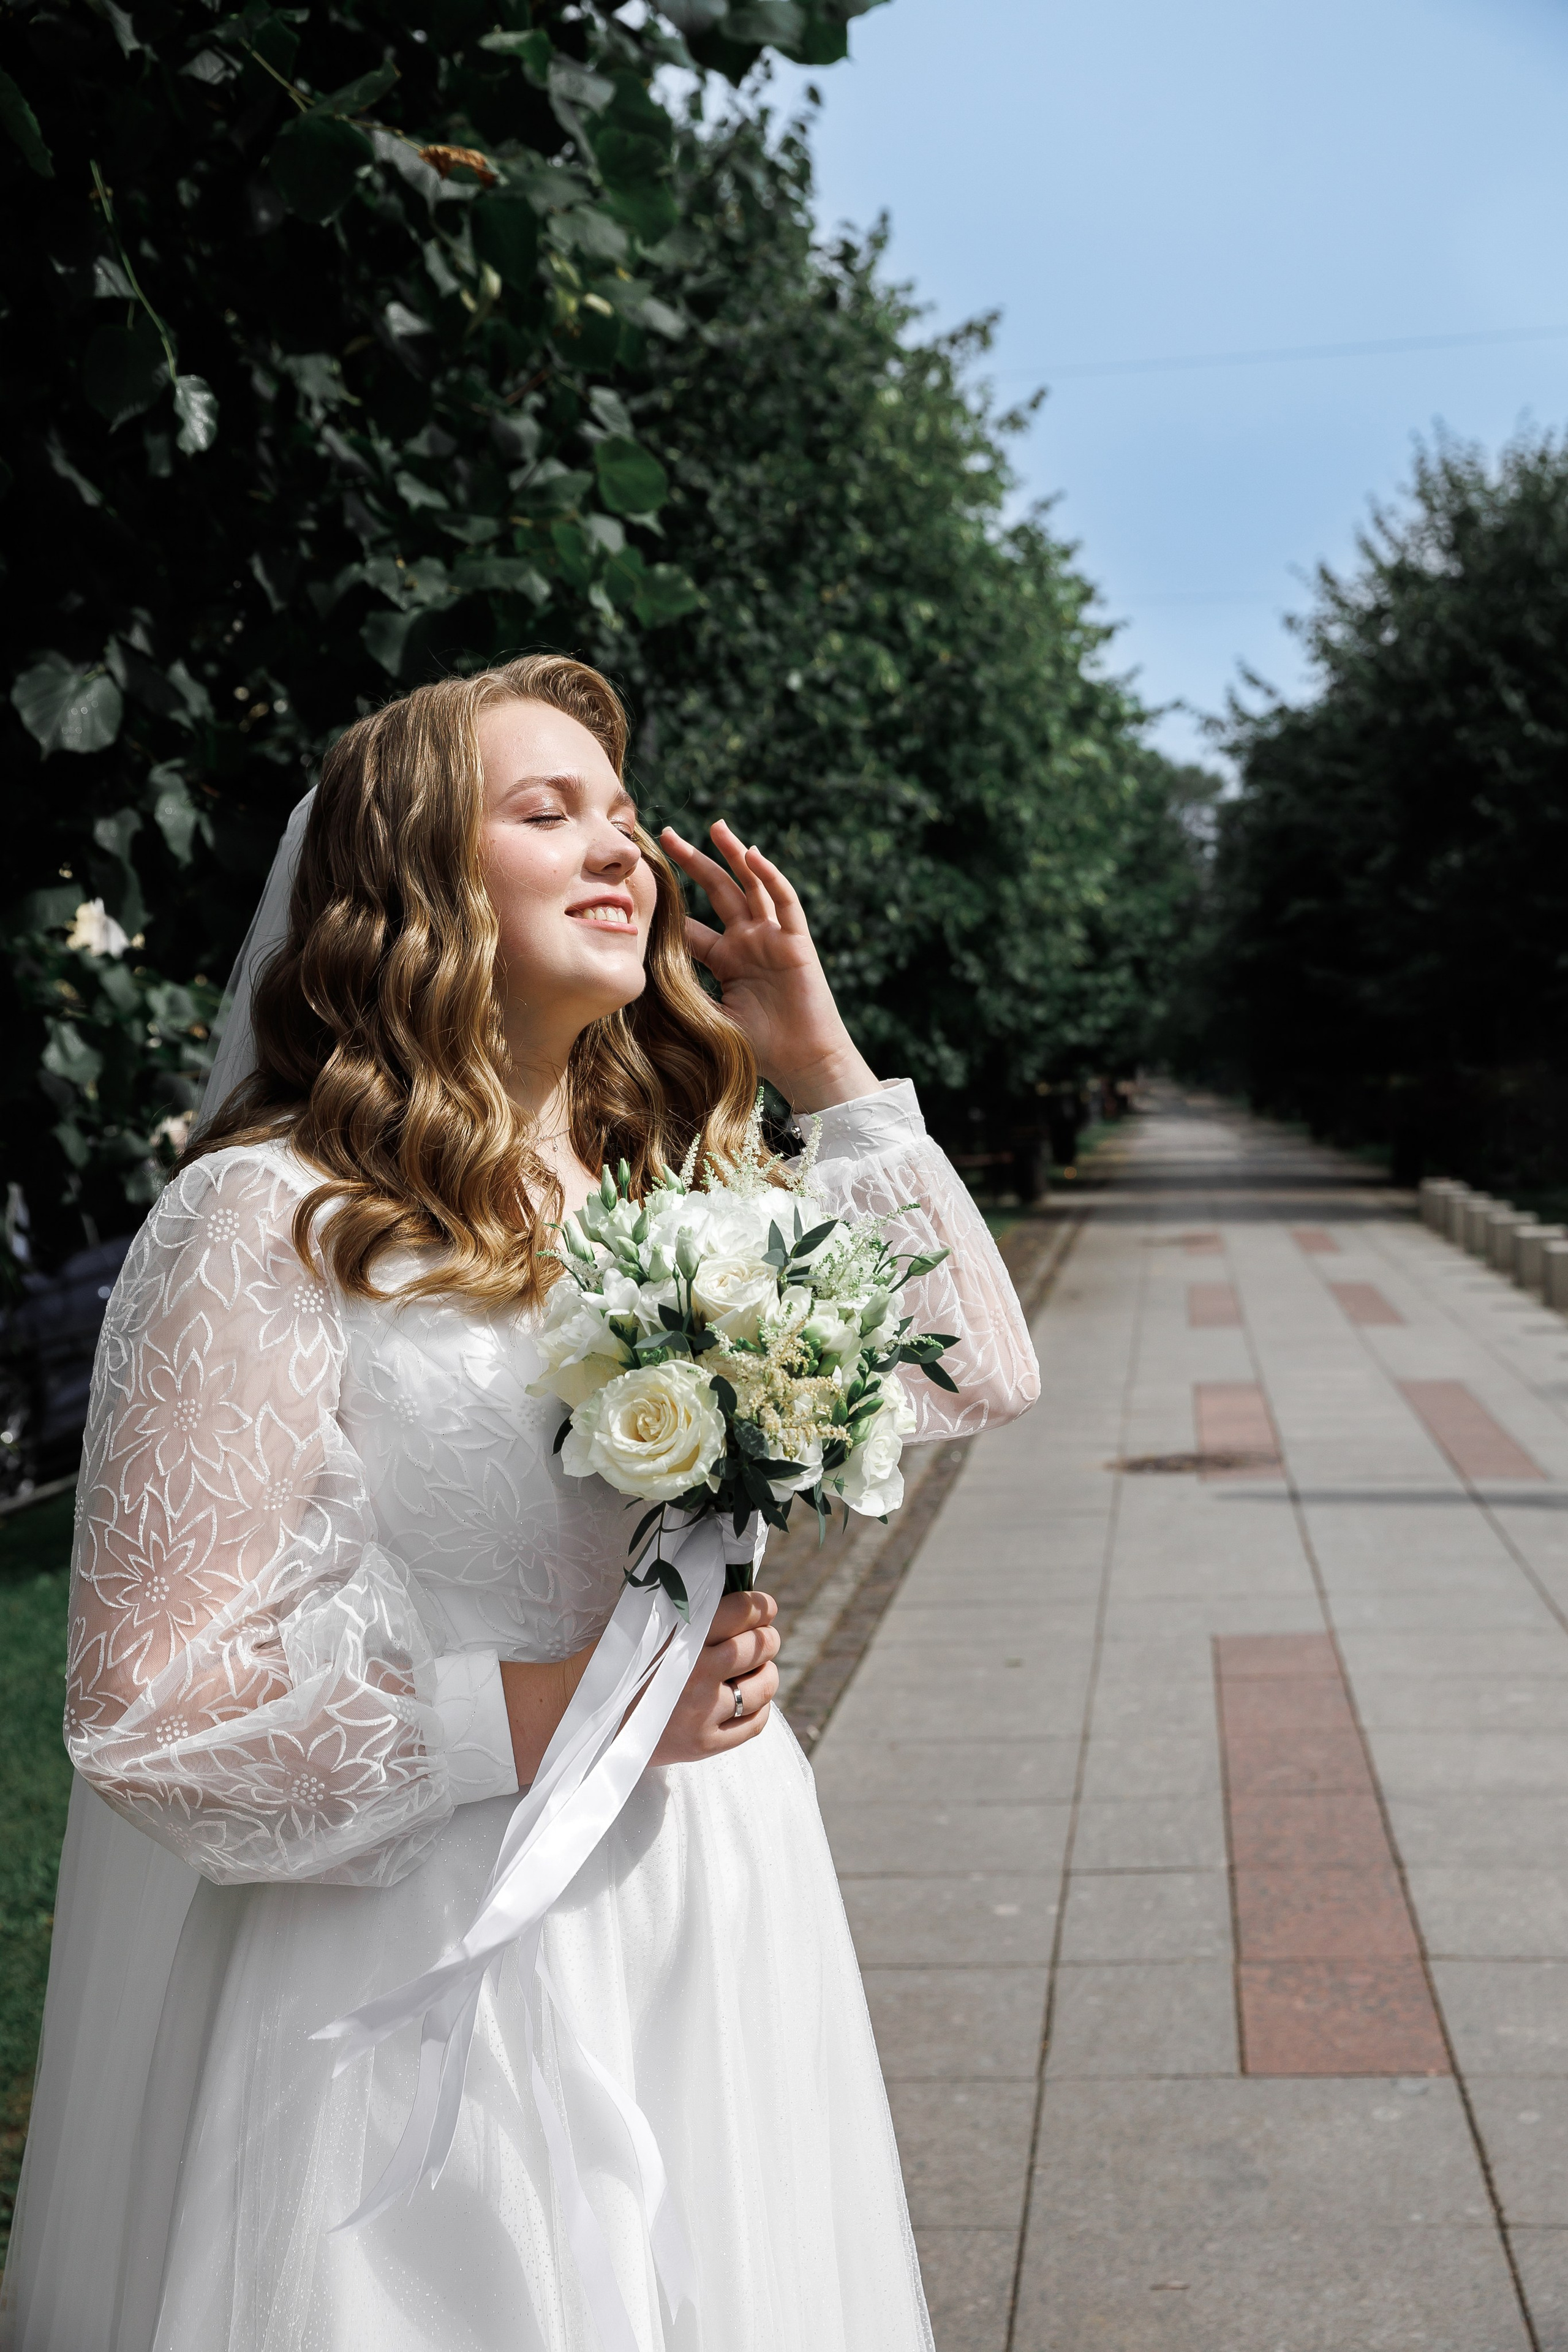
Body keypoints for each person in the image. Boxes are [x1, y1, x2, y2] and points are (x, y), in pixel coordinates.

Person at [1, 654, 1039, 2351]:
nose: (621, 852)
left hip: (711, 1893)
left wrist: (814, 1051)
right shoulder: (265, 1220)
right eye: (547, 812)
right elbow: (146, 1715)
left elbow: (971, 1370)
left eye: (626, 818)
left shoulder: (685, 1186)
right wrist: (556, 1709)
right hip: (434, 1945)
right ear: (409, 880)